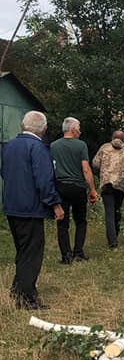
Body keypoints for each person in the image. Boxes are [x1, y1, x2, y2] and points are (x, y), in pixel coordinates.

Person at [1, 111, 64, 310]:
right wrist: (55, 204)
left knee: (22, 250)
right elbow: (44, 180)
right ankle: (26, 298)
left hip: (12, 205)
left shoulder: (9, 146)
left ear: (23, 125)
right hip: (30, 207)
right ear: (44, 129)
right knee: (32, 253)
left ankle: (17, 290)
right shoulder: (38, 148)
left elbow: (4, 172)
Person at [50, 117, 97, 263]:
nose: (80, 131)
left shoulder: (53, 146)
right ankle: (78, 252)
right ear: (73, 129)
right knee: (80, 221)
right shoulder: (81, 145)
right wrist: (92, 189)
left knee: (62, 222)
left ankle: (66, 255)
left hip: (60, 186)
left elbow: (51, 167)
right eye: (79, 128)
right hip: (78, 187)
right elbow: (85, 169)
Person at [92, 130, 124, 248]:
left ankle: (112, 242)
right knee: (117, 211)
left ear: (112, 138)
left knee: (109, 213)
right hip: (121, 186)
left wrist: (100, 174)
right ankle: (115, 236)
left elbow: (95, 164)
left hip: (106, 184)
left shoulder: (104, 148)